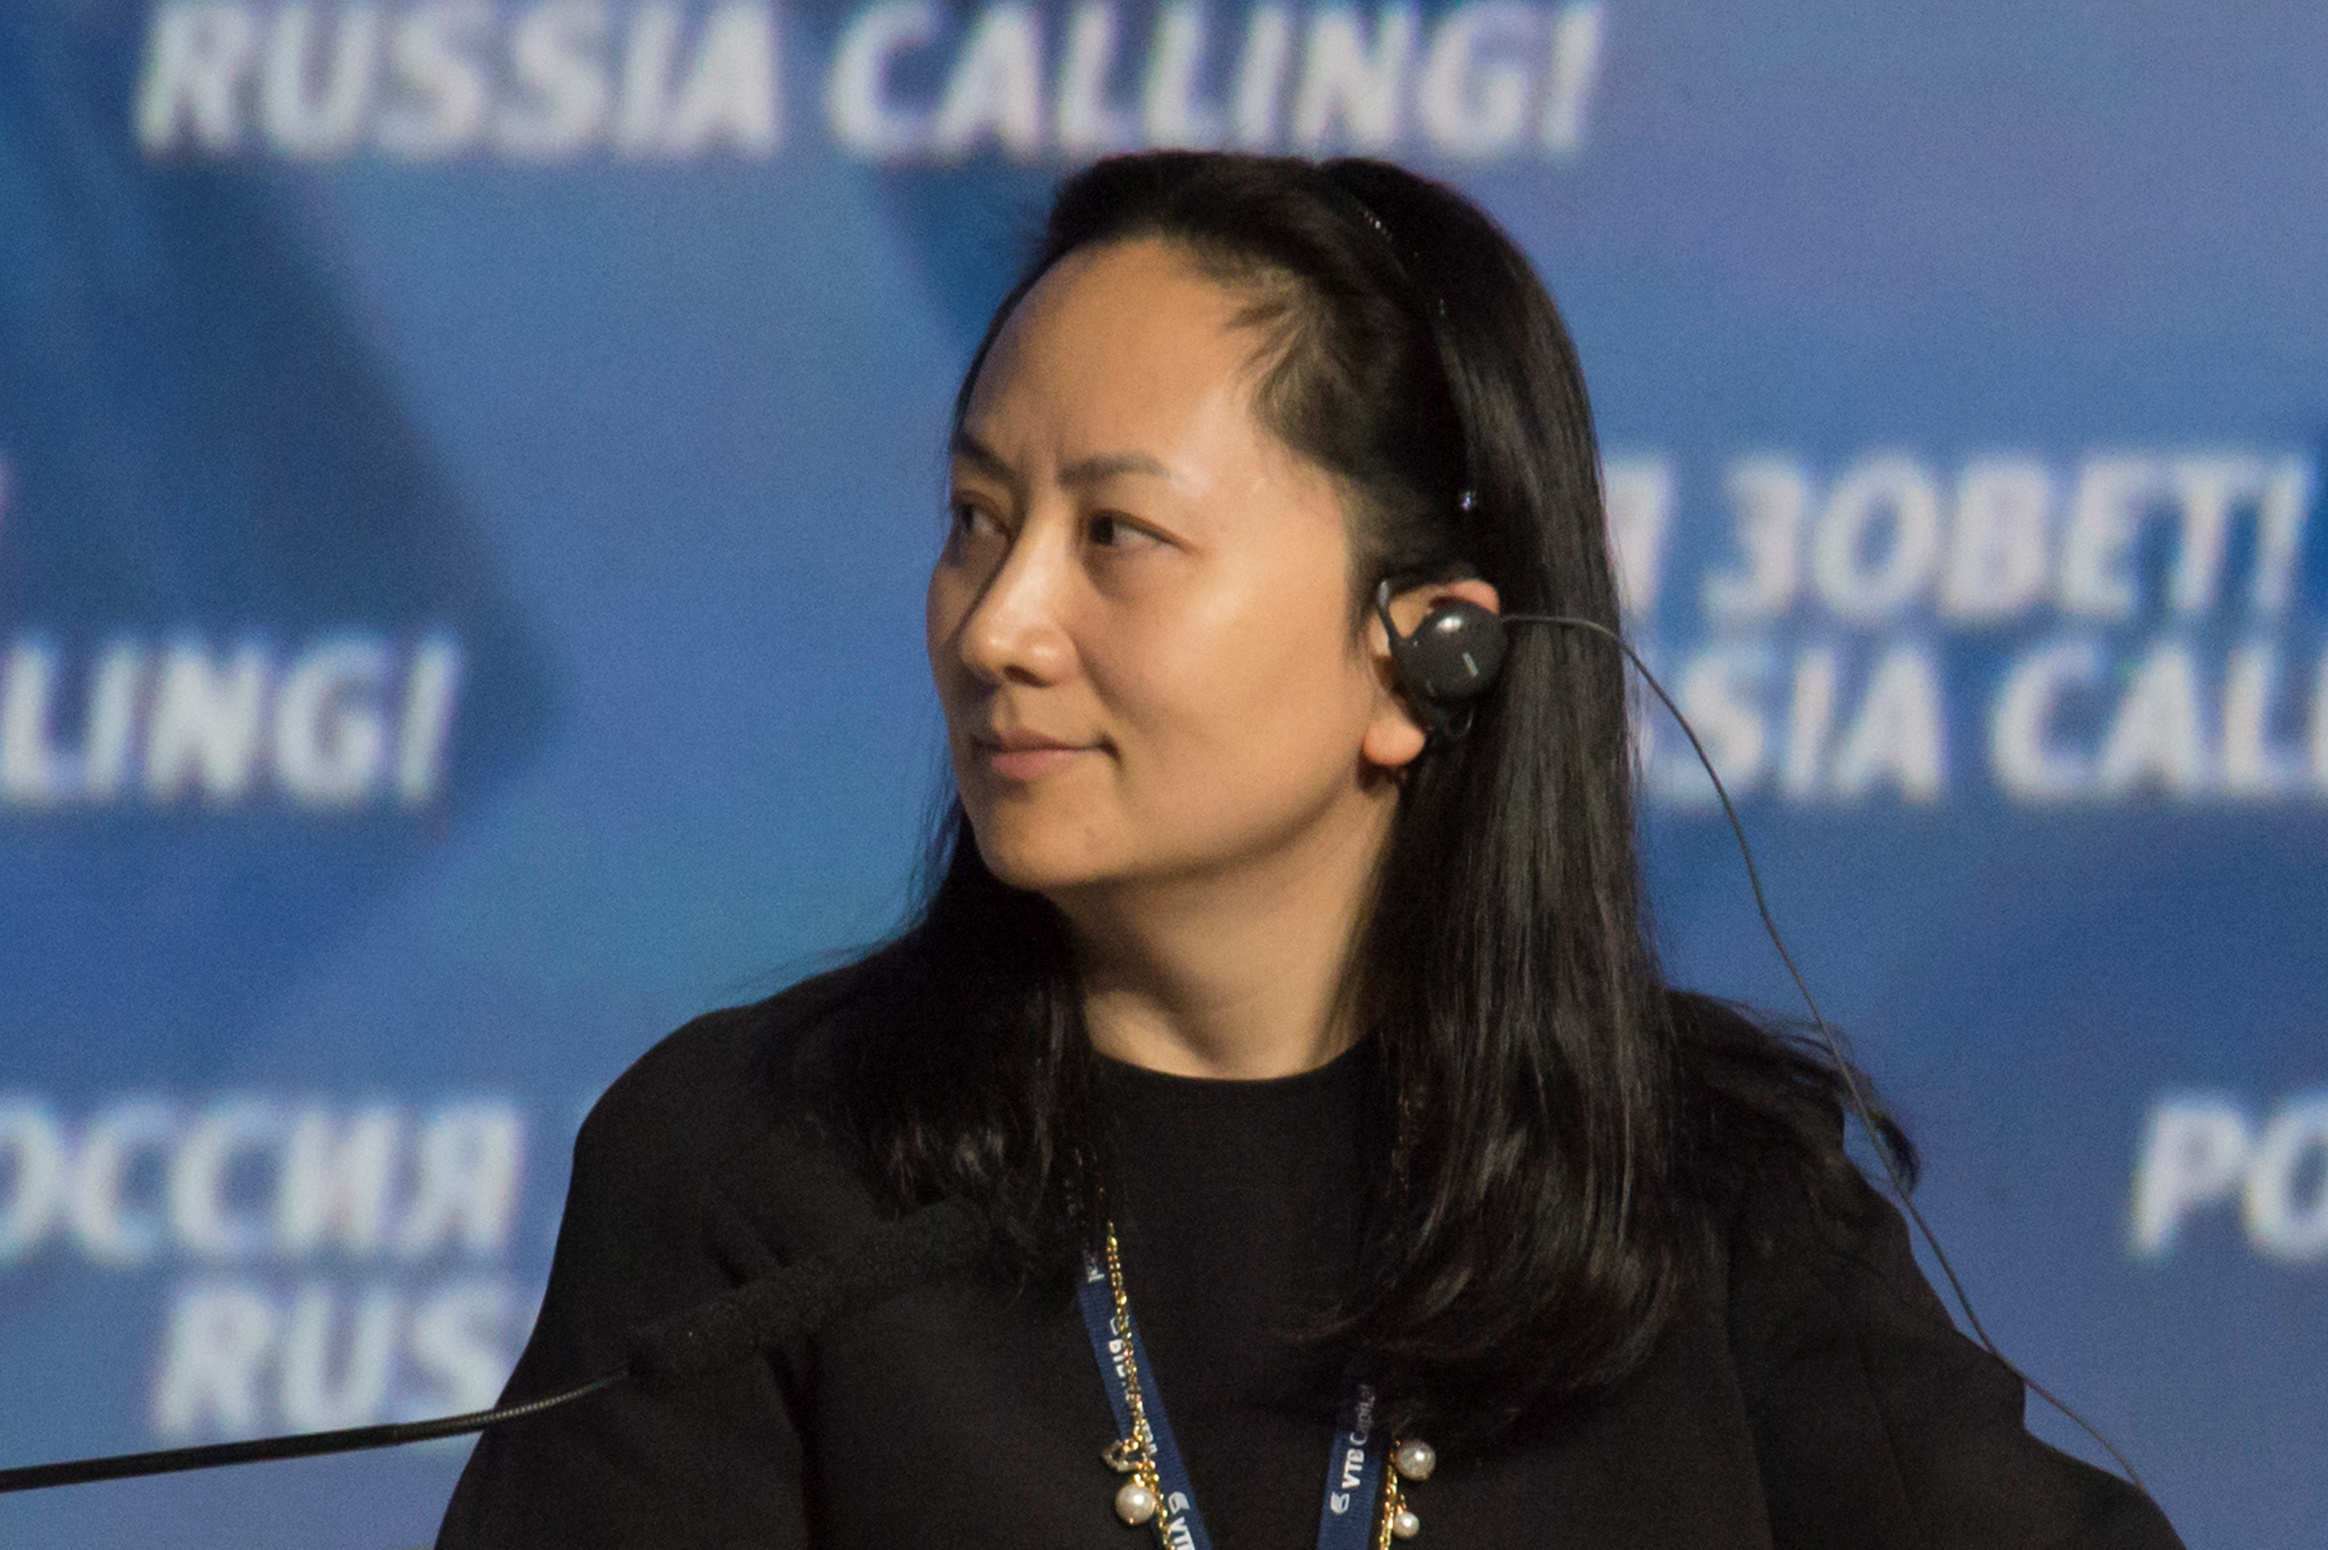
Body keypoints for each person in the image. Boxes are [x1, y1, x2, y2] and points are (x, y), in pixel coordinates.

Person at [435, 153, 2181, 1550]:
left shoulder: (1702, 1202)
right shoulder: (756, 1179)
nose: (998, 624)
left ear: (1421, 654)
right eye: (977, 519)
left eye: (1117, 533)